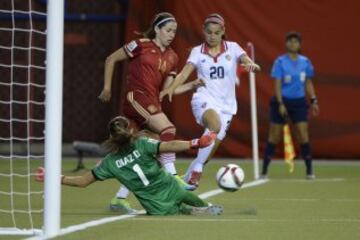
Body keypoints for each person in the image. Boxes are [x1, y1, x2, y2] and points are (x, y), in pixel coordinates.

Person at [98, 12, 202, 212]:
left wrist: (191, 85)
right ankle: (174, 178)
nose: (172, 34)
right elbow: (111, 59)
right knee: (168, 129)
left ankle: (119, 199)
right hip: (135, 98)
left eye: (174, 31)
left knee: (144, 154)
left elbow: (167, 90)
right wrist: (107, 88)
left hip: (153, 104)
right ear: (157, 29)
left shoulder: (173, 57)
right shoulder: (140, 45)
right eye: (168, 30)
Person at [35, 116, 223, 216]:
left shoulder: (109, 163)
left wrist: (54, 177)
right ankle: (203, 207)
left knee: (182, 212)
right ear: (130, 130)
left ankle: (191, 210)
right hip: (175, 190)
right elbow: (170, 145)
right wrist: (197, 142)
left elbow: (83, 181)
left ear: (111, 138)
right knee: (203, 205)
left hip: (156, 207)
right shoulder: (143, 143)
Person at [160, 13, 260, 188]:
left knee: (206, 155)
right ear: (203, 32)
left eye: (216, 33)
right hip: (204, 100)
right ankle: (197, 170)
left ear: (223, 32)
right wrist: (170, 89)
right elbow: (184, 73)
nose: (212, 36)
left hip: (228, 107)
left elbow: (246, 60)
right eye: (209, 33)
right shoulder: (198, 51)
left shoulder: (233, 48)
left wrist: (252, 65)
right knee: (214, 125)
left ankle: (183, 185)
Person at [261, 32, 319, 179]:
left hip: (299, 103)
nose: (293, 44)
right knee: (274, 135)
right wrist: (280, 103)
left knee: (302, 135)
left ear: (300, 45)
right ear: (286, 44)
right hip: (281, 102)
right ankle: (264, 171)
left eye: (296, 41)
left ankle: (309, 170)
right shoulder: (280, 62)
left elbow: (308, 82)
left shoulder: (305, 62)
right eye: (290, 41)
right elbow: (277, 84)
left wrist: (313, 100)